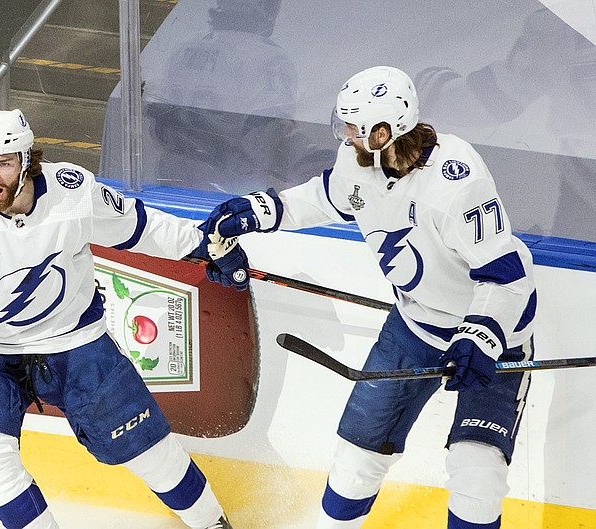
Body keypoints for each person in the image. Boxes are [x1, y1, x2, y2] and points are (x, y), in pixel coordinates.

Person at [0, 108, 245, 529]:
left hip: (78, 347)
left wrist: (203, 245)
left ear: (28, 160)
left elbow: (137, 226)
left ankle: (213, 524)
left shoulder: (73, 191)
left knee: (149, 452)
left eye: (5, 163)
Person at [201, 66, 536, 529]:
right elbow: (326, 197)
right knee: (357, 456)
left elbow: (507, 277)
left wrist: (479, 336)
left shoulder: (457, 185)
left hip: (496, 336)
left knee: (476, 472)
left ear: (384, 132)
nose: (347, 137)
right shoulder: (358, 161)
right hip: (414, 324)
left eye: (356, 129)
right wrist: (263, 210)